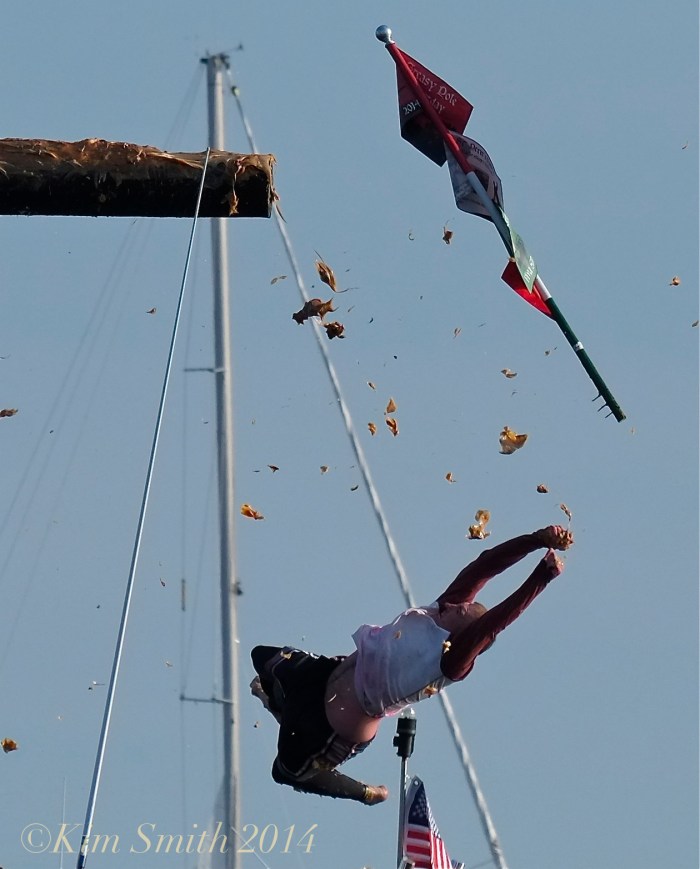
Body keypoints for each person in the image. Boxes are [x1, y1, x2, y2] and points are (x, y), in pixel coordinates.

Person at [250, 525, 573, 806]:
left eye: (468, 612)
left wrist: (540, 578)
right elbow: (485, 565)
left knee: (285, 772)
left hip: (332, 726)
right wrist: (536, 539)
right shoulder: (441, 609)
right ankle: (282, 707)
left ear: (462, 636)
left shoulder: (449, 660)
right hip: (322, 677)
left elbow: (492, 625)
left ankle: (367, 793)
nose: (463, 607)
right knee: (262, 658)